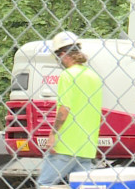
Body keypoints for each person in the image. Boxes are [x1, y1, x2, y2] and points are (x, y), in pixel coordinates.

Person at [37, 31, 103, 187]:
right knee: (83, 186)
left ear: (62, 54)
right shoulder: (94, 77)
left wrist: (53, 135)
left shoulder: (67, 76)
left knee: (45, 184)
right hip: (87, 146)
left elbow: (64, 109)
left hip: (66, 145)